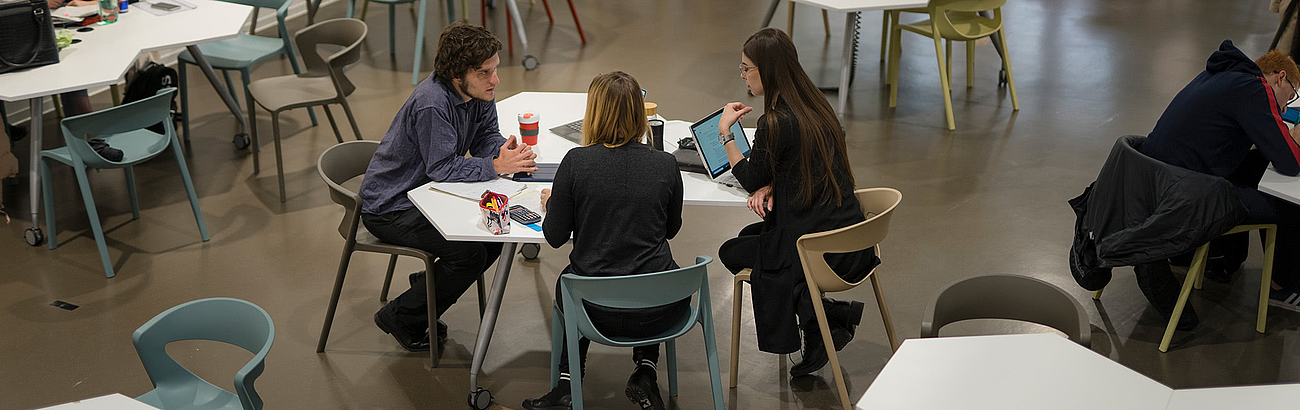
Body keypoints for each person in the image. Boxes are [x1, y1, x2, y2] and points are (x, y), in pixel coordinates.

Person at [358, 22, 537, 353]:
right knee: (469, 254)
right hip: (391, 206)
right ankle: (402, 317)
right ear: (457, 74)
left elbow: (485, 136)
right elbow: (441, 168)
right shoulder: (432, 104)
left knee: (496, 236)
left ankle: (429, 285)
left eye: (495, 69)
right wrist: (496, 167)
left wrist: (504, 152)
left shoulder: (478, 91)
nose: (495, 80)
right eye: (485, 72)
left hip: (427, 195)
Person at [715, 28, 879, 377]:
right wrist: (776, 182)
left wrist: (726, 134)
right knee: (750, 235)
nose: (742, 75)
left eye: (746, 68)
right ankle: (822, 320)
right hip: (853, 240)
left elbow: (749, 179)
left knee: (732, 252)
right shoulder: (816, 105)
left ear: (766, 70)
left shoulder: (774, 122)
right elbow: (803, 161)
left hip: (818, 250)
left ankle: (826, 317)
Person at [521, 72, 687, 410]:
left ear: (593, 114)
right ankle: (646, 370)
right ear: (640, 115)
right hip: (659, 309)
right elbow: (671, 230)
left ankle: (567, 384)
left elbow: (554, 236)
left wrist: (555, 203)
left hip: (595, 311)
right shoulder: (666, 164)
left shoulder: (576, 163)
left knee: (572, 281)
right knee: (649, 270)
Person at [1138, 40, 1300, 327]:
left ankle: (1235, 263)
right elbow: (1289, 162)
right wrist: (1295, 135)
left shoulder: (1223, 74)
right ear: (1281, 77)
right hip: (1188, 195)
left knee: (1260, 164)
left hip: (1161, 180)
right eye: (1291, 95)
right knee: (1286, 202)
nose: (1286, 105)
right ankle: (1282, 287)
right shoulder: (1254, 90)